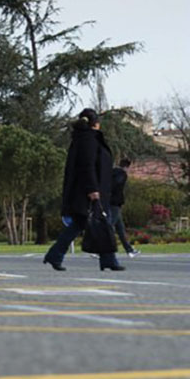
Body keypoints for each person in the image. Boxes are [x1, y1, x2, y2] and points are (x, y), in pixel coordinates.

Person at [43, 109, 125, 272]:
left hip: (91, 190)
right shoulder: (89, 140)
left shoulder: (83, 139)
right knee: (103, 223)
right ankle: (108, 260)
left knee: (82, 225)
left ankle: (55, 255)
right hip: (91, 192)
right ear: (96, 123)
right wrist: (92, 189)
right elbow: (87, 167)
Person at [110, 158, 139, 257]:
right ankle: (99, 249)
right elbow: (117, 185)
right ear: (127, 167)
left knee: (120, 228)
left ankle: (129, 249)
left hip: (111, 202)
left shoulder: (111, 172)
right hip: (115, 203)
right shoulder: (122, 174)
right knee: (109, 226)